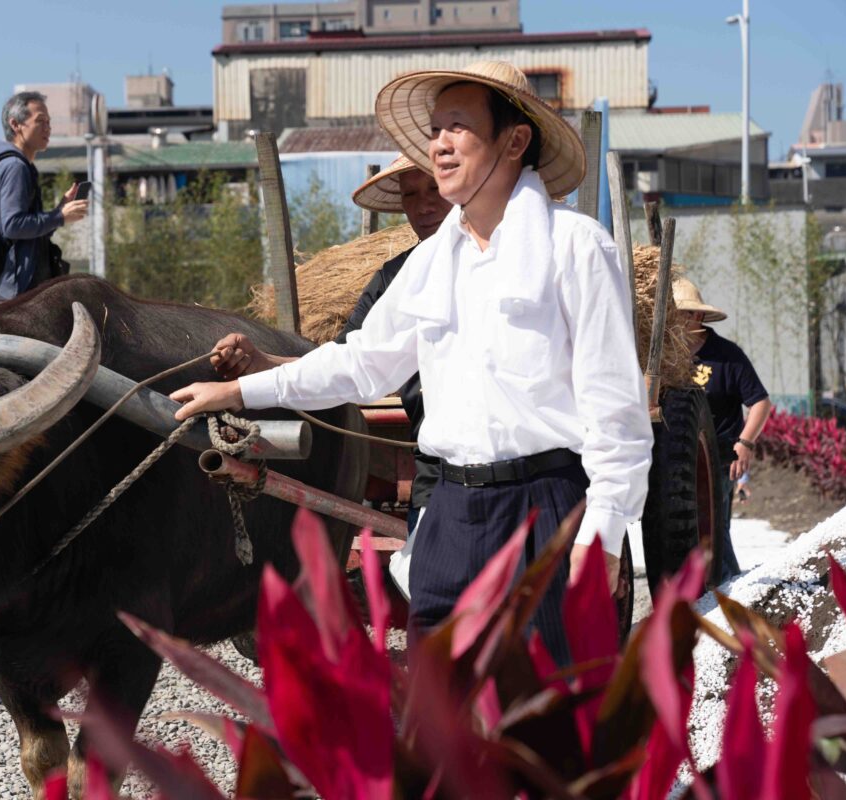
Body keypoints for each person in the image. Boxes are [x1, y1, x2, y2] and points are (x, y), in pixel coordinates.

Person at [171, 61, 652, 664]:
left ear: (515, 140)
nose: (439, 146)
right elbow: (361, 365)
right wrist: (241, 393)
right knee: (442, 733)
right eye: (434, 131)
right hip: (448, 515)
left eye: (458, 127)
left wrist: (603, 537)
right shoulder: (430, 264)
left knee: (551, 736)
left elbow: (617, 410)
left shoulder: (576, 248)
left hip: (546, 510)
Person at [210, 154, 452, 600]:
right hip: (441, 463)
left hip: (531, 470)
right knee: (437, 608)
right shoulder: (396, 278)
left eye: (434, 190)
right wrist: (260, 364)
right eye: (410, 195)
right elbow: (347, 361)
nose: (423, 206)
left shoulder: (523, 259)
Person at [674, 276, 771, 582]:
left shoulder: (727, 356)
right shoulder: (667, 358)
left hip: (719, 456)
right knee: (685, 529)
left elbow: (760, 402)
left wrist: (745, 443)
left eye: (680, 314)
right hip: (678, 457)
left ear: (696, 317)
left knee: (713, 525)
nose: (673, 321)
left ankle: (731, 588)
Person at [0, 91, 89, 301]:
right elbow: (13, 225)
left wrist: (59, 211)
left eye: (49, 122)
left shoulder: (17, 165)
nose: (48, 128)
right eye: (40, 121)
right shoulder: (15, 167)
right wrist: (60, 217)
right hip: (19, 292)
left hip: (19, 287)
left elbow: (28, 229)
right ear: (15, 125)